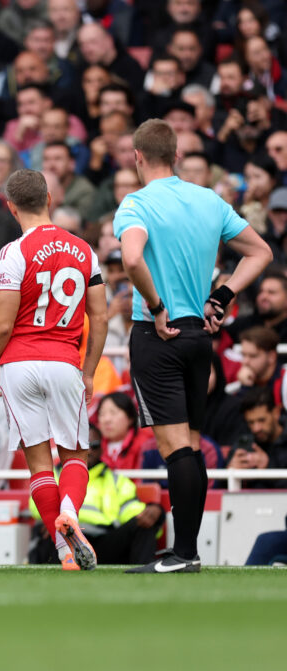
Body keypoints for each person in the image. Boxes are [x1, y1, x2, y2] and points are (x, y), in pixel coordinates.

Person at [115, 119, 272, 573]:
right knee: (193, 445)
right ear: (177, 155)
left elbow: (130, 257)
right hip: (200, 337)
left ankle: (183, 553)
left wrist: (155, 303)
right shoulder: (209, 200)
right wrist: (222, 295)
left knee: (176, 449)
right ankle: (187, 549)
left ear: (138, 157)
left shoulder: (136, 203)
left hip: (157, 334)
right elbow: (260, 252)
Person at [0, 169, 108, 571]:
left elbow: (2, 323)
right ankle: (70, 511)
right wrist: (88, 371)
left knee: (38, 463)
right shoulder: (84, 250)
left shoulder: (12, 253)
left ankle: (63, 551)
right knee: (75, 455)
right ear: (50, 198)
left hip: (19, 363)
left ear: (11, 206)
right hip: (63, 360)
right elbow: (101, 317)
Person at [30, 425, 165, 565]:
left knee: (146, 523)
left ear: (102, 449)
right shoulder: (51, 476)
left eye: (93, 445)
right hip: (63, 538)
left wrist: (155, 512)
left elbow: (133, 513)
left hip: (104, 541)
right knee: (52, 528)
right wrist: (53, 521)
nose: (88, 450)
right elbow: (35, 507)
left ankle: (143, 582)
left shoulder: (116, 481)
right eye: (80, 445)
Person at [226, 387, 287, 489]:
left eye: (261, 420)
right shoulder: (245, 441)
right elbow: (221, 489)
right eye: (251, 422)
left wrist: (267, 468)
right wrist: (231, 472)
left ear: (276, 412)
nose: (256, 428)